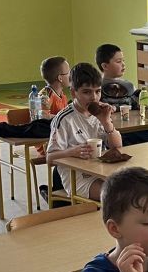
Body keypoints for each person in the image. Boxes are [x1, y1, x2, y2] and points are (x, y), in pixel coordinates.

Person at [46, 63, 122, 202]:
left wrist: (106, 122)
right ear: (73, 92)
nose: (94, 97)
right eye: (87, 92)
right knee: (116, 197)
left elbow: (117, 146)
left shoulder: (100, 113)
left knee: (136, 189)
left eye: (98, 91)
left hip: (101, 170)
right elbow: (50, 159)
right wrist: (72, 152)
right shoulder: (64, 119)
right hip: (77, 178)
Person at [95, 43, 139, 109]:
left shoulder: (129, 85)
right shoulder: (96, 87)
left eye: (123, 60)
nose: (123, 64)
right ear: (105, 66)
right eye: (118, 61)